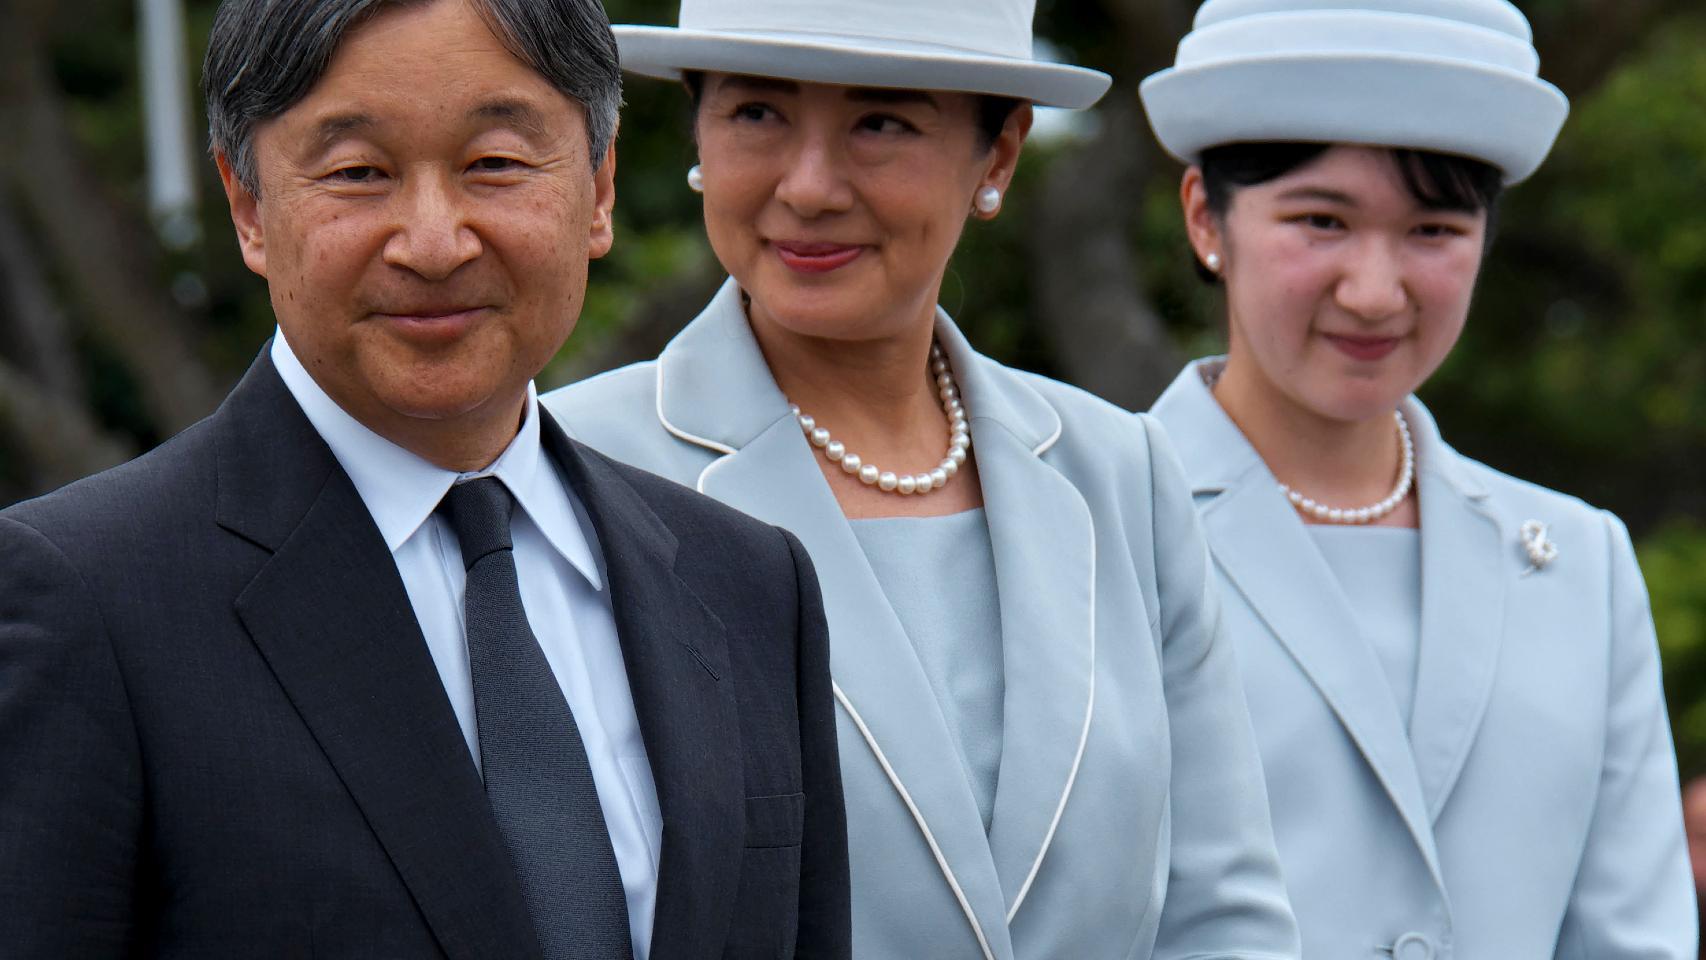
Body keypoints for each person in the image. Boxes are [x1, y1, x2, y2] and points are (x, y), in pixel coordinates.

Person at [0, 0, 851, 956]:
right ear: (249, 207)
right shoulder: (86, 597)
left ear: (600, 190)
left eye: (494, 164)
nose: (435, 241)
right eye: (359, 174)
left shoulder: (748, 587)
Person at [543, 1, 1300, 957]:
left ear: (1000, 154)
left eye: (882, 123)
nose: (810, 187)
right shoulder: (571, 470)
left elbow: (1223, 913)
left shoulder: (1121, 474)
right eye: (758, 114)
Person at [1142, 0, 1695, 956]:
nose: (1374, 290)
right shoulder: (1085, 525)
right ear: (1206, 218)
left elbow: (1631, 937)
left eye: (1434, 231)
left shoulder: (1580, 565)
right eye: (1321, 220)